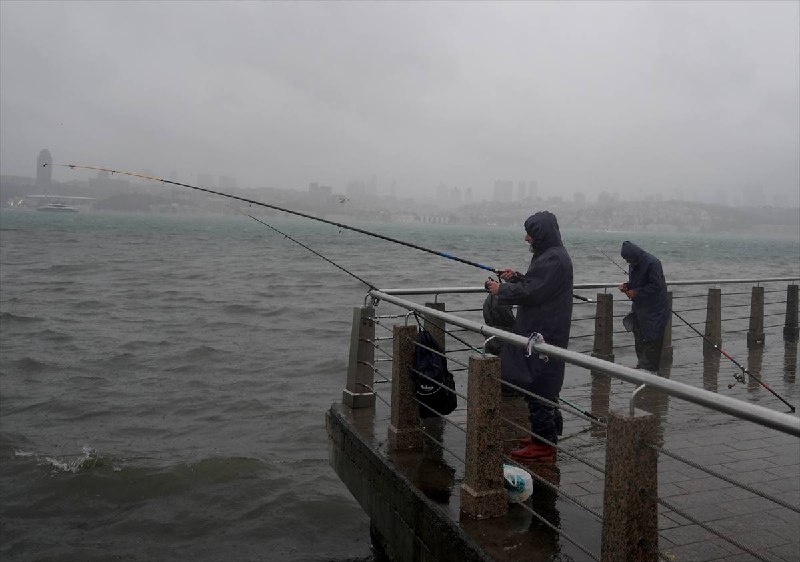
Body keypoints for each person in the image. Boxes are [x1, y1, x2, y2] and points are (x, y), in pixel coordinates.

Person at [485, 211, 573, 463]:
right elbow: (539, 285)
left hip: (544, 331)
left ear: (541, 235)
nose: (526, 238)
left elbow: (533, 292)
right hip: (544, 327)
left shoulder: (553, 258)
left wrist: (501, 289)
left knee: (538, 383)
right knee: (542, 384)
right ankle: (544, 436)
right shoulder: (551, 255)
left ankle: (543, 446)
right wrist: (517, 278)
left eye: (530, 234)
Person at [618, 241, 669, 373]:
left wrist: (636, 292)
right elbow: (638, 282)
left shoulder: (653, 263)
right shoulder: (633, 264)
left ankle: (650, 370)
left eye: (629, 259)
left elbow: (656, 286)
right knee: (638, 335)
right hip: (640, 308)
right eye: (626, 260)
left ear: (634, 255)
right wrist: (627, 286)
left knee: (653, 338)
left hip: (655, 307)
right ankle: (642, 365)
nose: (628, 262)